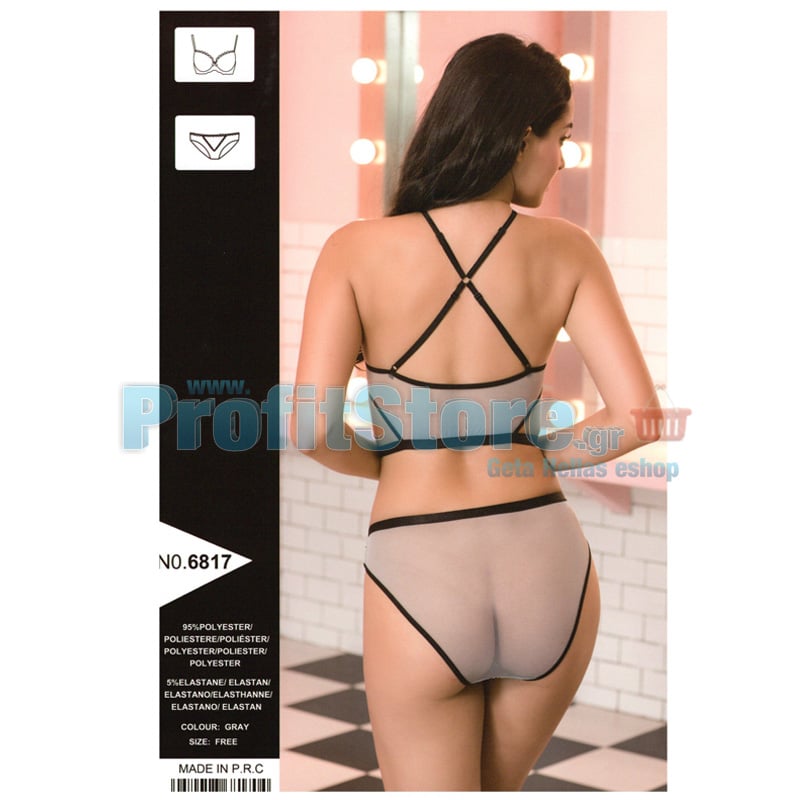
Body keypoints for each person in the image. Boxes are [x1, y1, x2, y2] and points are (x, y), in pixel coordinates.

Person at [291, 33, 660, 792]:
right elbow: (637, 418)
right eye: (560, 138)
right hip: (549, 568)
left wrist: (396, 463)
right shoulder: (568, 250)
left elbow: (309, 429)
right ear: (521, 135)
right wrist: (530, 453)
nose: (563, 158)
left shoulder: (354, 251)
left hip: (420, 570)